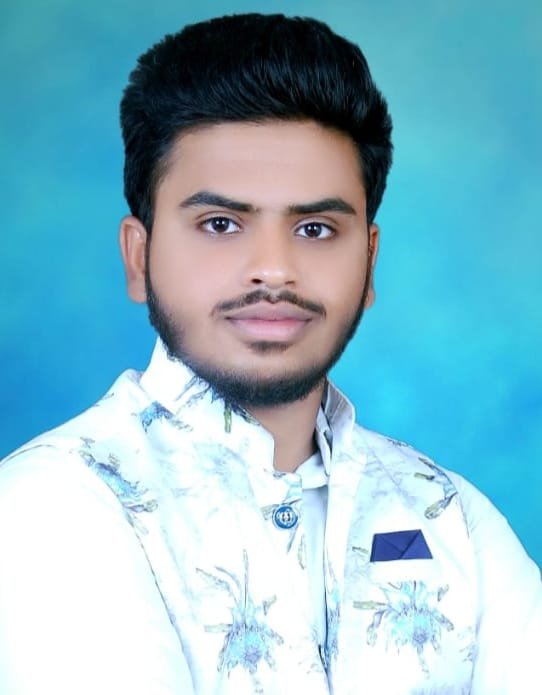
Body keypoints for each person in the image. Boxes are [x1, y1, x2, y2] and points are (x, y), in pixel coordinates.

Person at [0, 13, 539, 695]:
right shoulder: (53, 505)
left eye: (315, 228)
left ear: (369, 261)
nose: (274, 270)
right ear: (139, 256)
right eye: (221, 223)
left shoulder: (450, 515)